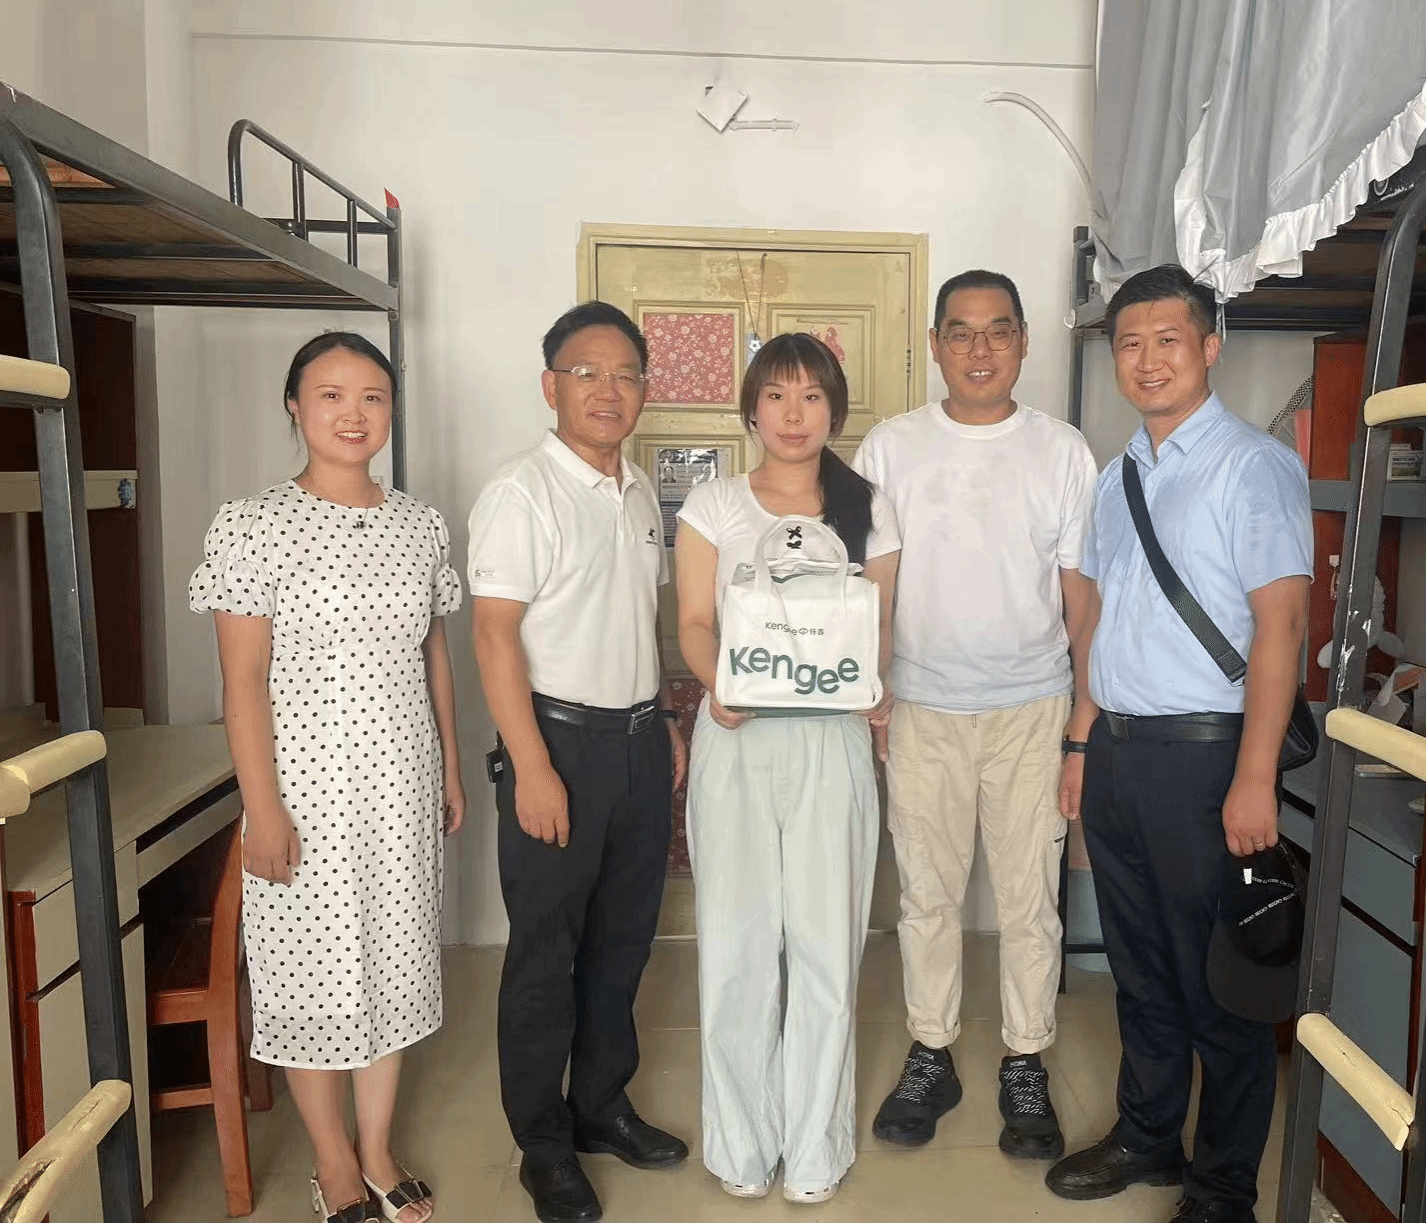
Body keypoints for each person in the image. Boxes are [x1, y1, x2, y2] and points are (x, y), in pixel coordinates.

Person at [1045, 264, 1311, 1224]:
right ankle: (1148, 1135)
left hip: (1208, 761)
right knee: (1141, 967)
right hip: (1119, 755)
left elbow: (1281, 625)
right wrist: (1083, 742)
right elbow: (1099, 619)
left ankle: (1223, 1189)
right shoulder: (1117, 477)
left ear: (1210, 347)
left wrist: (1253, 778)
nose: (1148, 360)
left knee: (1220, 987)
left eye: (1168, 340)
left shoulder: (1252, 466)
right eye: (1130, 344)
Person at [191, 332, 463, 1224]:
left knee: (394, 960)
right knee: (314, 970)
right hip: (302, 793)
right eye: (332, 395)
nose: (354, 414)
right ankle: (333, 1161)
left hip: (401, 785)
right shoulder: (252, 525)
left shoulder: (419, 525)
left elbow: (433, 657)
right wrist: (261, 809)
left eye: (372, 397)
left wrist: (450, 769)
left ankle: (378, 1150)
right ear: (295, 407)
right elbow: (241, 683)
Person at [853, 269, 1098, 1160]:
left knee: (1031, 898)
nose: (980, 348)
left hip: (1033, 706)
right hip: (921, 705)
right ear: (935, 344)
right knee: (928, 894)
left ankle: (1025, 1059)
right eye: (961, 331)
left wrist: (1083, 726)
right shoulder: (891, 447)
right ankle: (933, 1051)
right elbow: (870, 583)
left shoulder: (1062, 451)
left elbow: (1081, 597)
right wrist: (870, 691)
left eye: (999, 330)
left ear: (1024, 341)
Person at [468, 301, 689, 1224]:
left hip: (636, 741)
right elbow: (493, 636)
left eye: (626, 374)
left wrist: (663, 718)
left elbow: (637, 618)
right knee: (544, 956)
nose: (608, 390)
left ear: (643, 389)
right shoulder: (521, 493)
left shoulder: (637, 491)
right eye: (587, 372)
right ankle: (544, 1145)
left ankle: (601, 1106)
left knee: (623, 942)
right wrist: (532, 766)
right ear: (550, 385)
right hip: (554, 743)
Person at [674, 333, 900, 1205]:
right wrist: (716, 686)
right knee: (735, 948)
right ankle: (741, 1143)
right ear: (752, 409)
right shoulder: (715, 504)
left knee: (824, 948)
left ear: (835, 410)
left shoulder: (868, 508)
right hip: (738, 740)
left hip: (829, 745)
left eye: (811, 396)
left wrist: (874, 687)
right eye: (776, 395)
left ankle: (814, 1147)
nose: (794, 414)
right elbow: (695, 623)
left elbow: (880, 630)